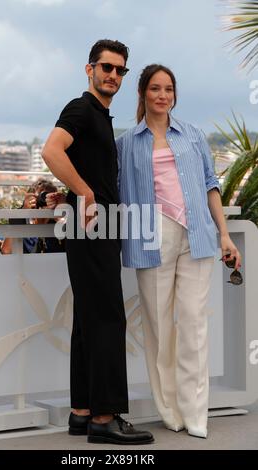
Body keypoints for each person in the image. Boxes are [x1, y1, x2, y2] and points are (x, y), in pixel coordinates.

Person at [116, 64, 242, 439]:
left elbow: (210, 184)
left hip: (197, 236)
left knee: (193, 326)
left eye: (168, 89)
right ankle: (169, 409)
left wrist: (224, 235)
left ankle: (195, 411)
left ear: (175, 95)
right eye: (155, 88)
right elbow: (114, 191)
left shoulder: (192, 135)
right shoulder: (125, 144)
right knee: (158, 330)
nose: (162, 95)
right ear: (142, 94)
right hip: (151, 239)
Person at [42, 39, 153, 445]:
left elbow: (77, 161)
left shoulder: (99, 116)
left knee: (89, 321)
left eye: (120, 70)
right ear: (89, 69)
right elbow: (51, 150)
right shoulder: (81, 108)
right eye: (106, 67)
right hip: (92, 228)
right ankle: (106, 419)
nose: (113, 75)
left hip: (92, 228)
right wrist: (84, 194)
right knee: (107, 319)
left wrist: (71, 191)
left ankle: (82, 411)